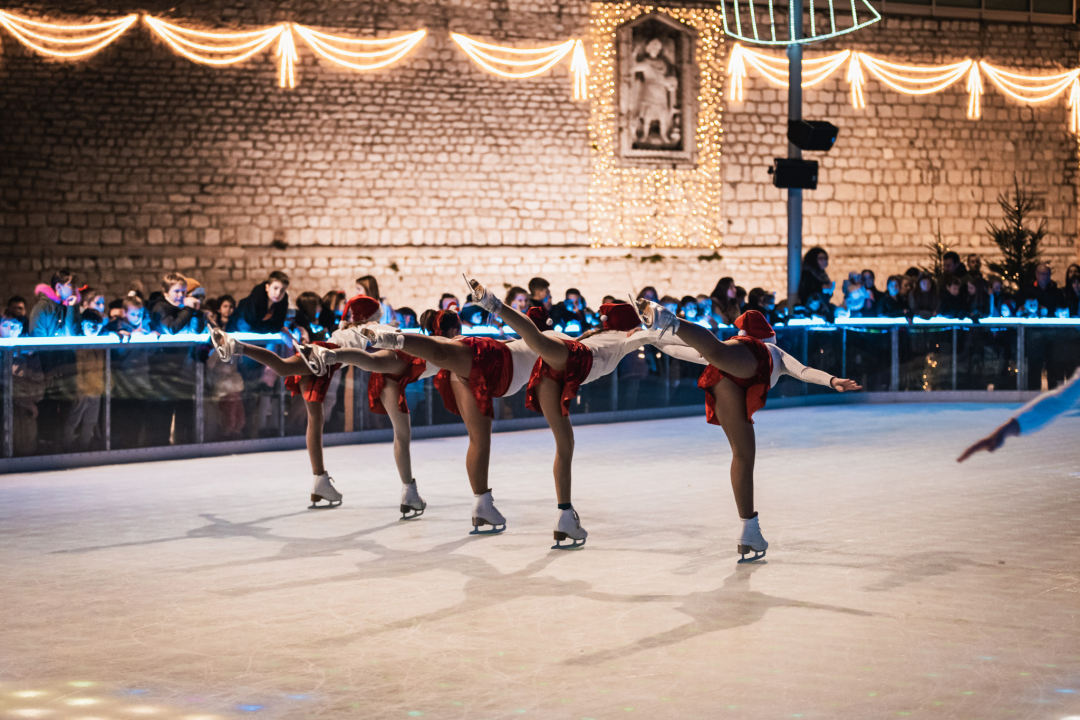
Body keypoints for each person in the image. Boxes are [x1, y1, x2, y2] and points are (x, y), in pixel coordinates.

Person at [467, 278, 694, 549]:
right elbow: (671, 345)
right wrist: (710, 355)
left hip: (553, 372)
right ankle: (494, 304)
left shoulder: (595, 333)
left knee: (565, 443)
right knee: (538, 343)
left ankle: (566, 518)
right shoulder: (629, 335)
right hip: (575, 360)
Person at [634, 301, 862, 563]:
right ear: (768, 335)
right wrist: (832, 381)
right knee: (718, 355)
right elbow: (804, 371)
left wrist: (648, 336)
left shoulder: (752, 348)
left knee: (743, 454)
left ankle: (750, 531)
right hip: (744, 367)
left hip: (726, 381)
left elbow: (678, 351)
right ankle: (670, 320)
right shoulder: (771, 349)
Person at [210, 295, 421, 513]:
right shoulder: (370, 326)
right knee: (287, 375)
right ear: (370, 315)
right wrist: (396, 327)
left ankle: (320, 480)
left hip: (319, 353)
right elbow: (388, 336)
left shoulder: (345, 328)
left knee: (314, 417)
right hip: (324, 357)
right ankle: (237, 346)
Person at [360, 305, 553, 536]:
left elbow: (379, 362)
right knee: (470, 438)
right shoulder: (447, 345)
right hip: (473, 361)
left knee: (407, 433)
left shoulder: (444, 343)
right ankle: (462, 501)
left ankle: (413, 492)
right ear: (455, 328)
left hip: (395, 373)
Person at [958, 367, 1080, 462]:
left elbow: (990, 441)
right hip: (1032, 418)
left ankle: (973, 449)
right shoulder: (1020, 426)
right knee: (1062, 400)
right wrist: (971, 450)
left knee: (1062, 400)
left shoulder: (1019, 425)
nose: (992, 450)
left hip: (1031, 417)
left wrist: (971, 450)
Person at [2, 313, 44, 456]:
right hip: (5, 412)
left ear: (21, 330)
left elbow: (39, 390)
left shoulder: (29, 354)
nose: (10, 329)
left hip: (25, 417)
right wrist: (23, 399)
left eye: (15, 326)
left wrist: (22, 399)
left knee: (26, 453)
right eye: (6, 325)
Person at [64, 309, 106, 451]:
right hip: (81, 389)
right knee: (73, 420)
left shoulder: (101, 343)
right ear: (82, 324)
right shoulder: (78, 343)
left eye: (97, 326)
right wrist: (79, 388)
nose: (94, 329)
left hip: (96, 388)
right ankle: (67, 449)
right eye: (90, 325)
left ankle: (85, 448)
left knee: (90, 421)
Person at [29, 268, 80, 338]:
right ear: (58, 287)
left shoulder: (69, 306)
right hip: (47, 349)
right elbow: (37, 338)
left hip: (66, 349)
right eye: (71, 285)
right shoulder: (43, 306)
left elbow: (72, 335)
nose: (75, 289)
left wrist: (71, 308)